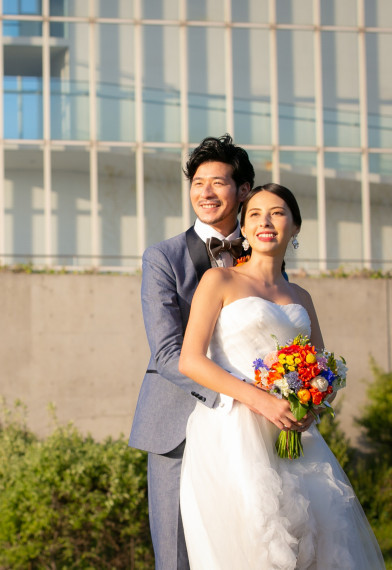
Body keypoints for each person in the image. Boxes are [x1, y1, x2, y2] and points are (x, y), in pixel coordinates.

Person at [177, 183, 384, 569]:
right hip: (232, 434)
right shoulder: (219, 281)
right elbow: (190, 360)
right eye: (254, 214)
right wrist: (261, 400)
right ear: (244, 227)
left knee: (316, 549)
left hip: (295, 437)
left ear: (296, 227)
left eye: (277, 213)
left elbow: (327, 371)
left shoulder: (301, 296)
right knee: (256, 548)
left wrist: (312, 404)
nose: (265, 222)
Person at [128, 134, 256, 569]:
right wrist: (241, 396)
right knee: (179, 558)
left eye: (217, 183)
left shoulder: (262, 255)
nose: (204, 193)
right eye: (197, 182)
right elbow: (167, 353)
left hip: (254, 432)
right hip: (176, 427)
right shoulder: (162, 257)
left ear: (242, 192)